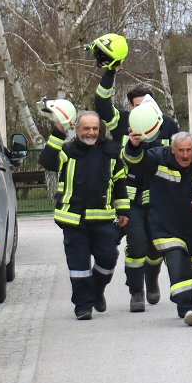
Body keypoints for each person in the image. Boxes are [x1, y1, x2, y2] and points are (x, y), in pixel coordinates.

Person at [92, 40, 180, 306]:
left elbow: (181, 157)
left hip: (160, 197)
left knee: (155, 247)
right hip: (130, 199)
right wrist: (110, 72)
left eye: (148, 106)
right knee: (137, 244)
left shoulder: (168, 125)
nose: (144, 112)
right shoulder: (122, 123)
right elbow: (101, 104)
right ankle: (136, 291)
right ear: (131, 108)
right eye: (137, 107)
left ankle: (152, 279)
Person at [124, 131, 192, 325]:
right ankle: (188, 308)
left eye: (189, 150)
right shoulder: (157, 157)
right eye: (181, 151)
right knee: (177, 261)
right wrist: (134, 145)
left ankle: (186, 293)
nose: (185, 155)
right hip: (166, 225)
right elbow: (136, 162)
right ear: (172, 150)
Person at [38, 107, 129, 320]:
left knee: (108, 259)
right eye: (86, 128)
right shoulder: (68, 151)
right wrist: (58, 131)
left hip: (104, 220)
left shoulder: (112, 151)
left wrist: (124, 210)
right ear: (77, 129)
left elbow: (120, 183)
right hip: (73, 220)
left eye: (95, 128)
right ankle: (83, 306)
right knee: (79, 267)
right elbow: (48, 161)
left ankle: (96, 292)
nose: (91, 132)